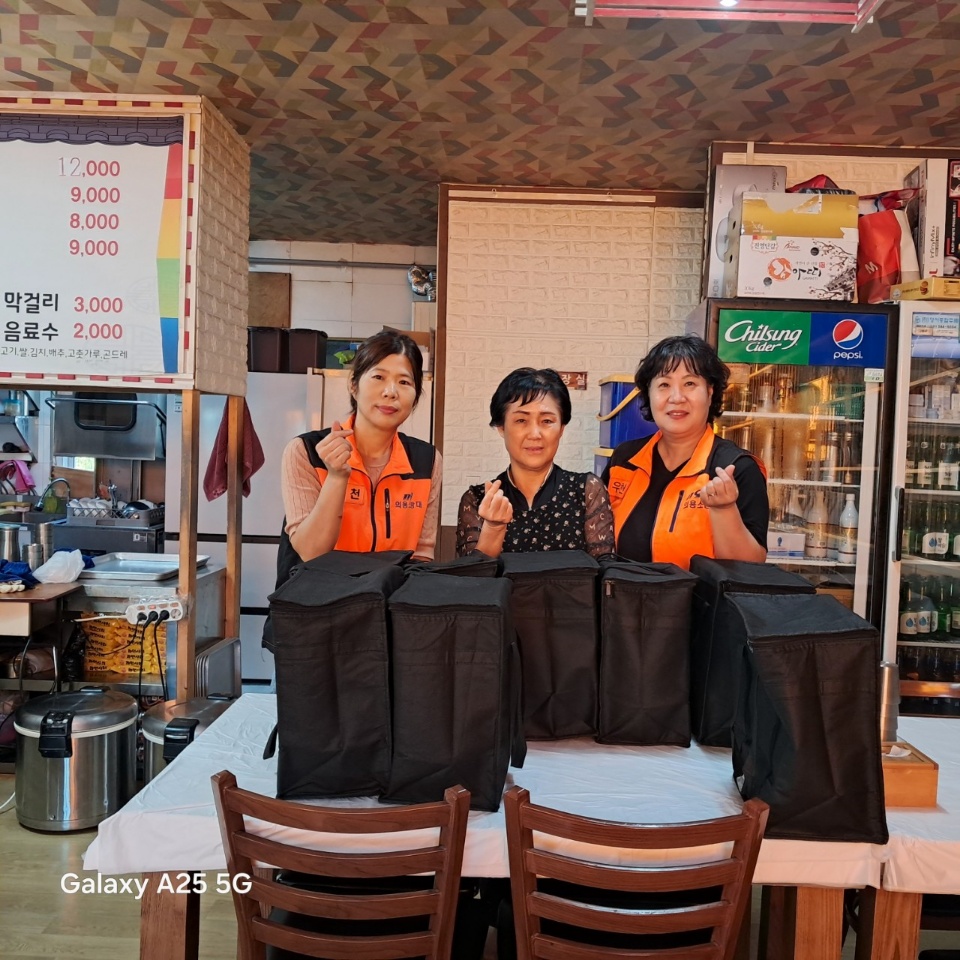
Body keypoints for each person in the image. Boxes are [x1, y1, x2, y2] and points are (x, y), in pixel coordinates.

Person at [276, 329, 441, 588]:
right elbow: (311, 552)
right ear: (354, 385)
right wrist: (336, 477)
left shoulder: (426, 461)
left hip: (385, 604)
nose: (391, 392)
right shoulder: (306, 451)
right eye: (378, 377)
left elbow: (421, 556)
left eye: (404, 382)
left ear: (416, 395)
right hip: (315, 603)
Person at [603, 334, 767, 569]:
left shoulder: (736, 468)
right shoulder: (624, 459)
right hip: (624, 592)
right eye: (664, 385)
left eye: (690, 384)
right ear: (648, 393)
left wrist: (724, 510)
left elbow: (750, 568)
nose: (677, 398)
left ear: (710, 392)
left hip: (700, 595)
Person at [456, 367, 615, 559]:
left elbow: (604, 568)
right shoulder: (477, 500)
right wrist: (493, 527)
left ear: (561, 428)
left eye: (547, 421)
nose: (535, 434)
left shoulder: (587, 490)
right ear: (501, 427)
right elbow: (471, 575)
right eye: (521, 420)